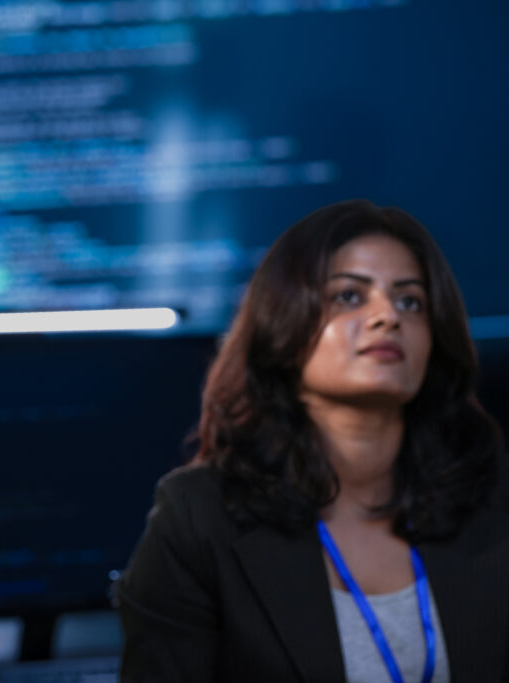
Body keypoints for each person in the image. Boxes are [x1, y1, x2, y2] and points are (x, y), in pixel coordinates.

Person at [116, 199, 509, 682]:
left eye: (411, 301)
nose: (387, 316)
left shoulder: (494, 498)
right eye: (348, 296)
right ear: (283, 324)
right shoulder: (198, 517)